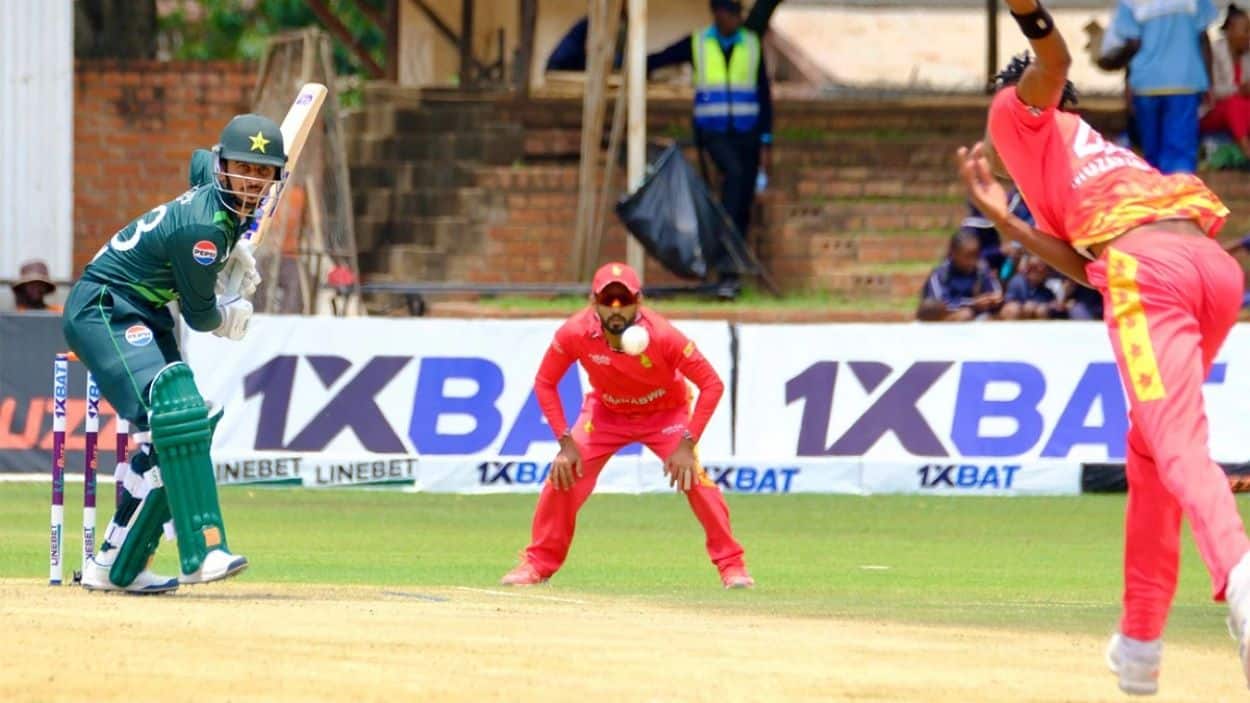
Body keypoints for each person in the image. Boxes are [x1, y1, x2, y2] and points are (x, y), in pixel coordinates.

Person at [955, 0, 1250, 694]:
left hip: (1150, 276)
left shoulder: (1017, 113)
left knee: (1175, 445)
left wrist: (1029, 12)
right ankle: (1140, 645)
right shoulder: (1094, 155)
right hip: (1211, 271)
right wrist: (1009, 222)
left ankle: (1238, 572)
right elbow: (1083, 261)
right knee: (1150, 449)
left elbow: (1052, 61)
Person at [63, 113, 282, 593]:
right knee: (175, 413)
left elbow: (197, 160)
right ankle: (201, 553)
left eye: (264, 172)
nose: (252, 182)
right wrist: (230, 310)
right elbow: (202, 317)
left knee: (181, 429)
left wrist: (233, 251)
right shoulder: (204, 231)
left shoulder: (215, 189)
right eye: (243, 169)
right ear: (225, 168)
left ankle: (115, 565)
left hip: (145, 311)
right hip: (105, 307)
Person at [500, 262, 754, 589]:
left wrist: (686, 444)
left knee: (696, 481)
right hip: (606, 413)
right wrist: (565, 443)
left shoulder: (663, 335)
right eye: (608, 301)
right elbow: (545, 382)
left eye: (624, 300)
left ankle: (732, 566)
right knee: (562, 475)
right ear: (594, 302)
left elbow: (712, 384)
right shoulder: (574, 333)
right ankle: (537, 564)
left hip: (666, 413)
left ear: (639, 302)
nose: (616, 309)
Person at [647, 0, 772, 300]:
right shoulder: (699, 42)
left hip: (747, 133)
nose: (736, 20)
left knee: (741, 198)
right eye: (731, 14)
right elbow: (661, 59)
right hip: (713, 132)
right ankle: (725, 260)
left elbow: (764, 95)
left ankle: (730, 273)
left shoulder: (751, 44)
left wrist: (767, 140)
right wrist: (630, 64)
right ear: (718, 14)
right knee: (735, 178)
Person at [1107, 0, 1217, 173]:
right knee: (1181, 152)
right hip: (1185, 81)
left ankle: (1158, 194)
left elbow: (1133, 44)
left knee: (1152, 151)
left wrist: (1128, 82)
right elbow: (1203, 37)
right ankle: (1180, 193)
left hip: (1146, 83)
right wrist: (1210, 81)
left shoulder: (1130, 2)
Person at [916, 230, 1004, 321]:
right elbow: (941, 303)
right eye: (968, 255)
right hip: (945, 321)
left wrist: (993, 299)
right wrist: (973, 303)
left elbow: (995, 292)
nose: (973, 260)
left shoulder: (981, 269)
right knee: (965, 315)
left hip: (977, 317)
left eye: (976, 254)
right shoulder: (940, 274)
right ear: (954, 254)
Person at [1201, 5, 1250, 163]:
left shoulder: (1247, 56)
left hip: (1241, 106)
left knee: (1240, 104)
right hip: (1213, 110)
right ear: (1230, 31)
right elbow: (1213, 91)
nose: (1249, 36)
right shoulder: (1214, 52)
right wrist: (1239, 90)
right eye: (1246, 30)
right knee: (1234, 105)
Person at [1000, 256, 1065, 319]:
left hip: (1037, 320)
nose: (1037, 272)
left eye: (1043, 269)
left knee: (1042, 310)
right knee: (1014, 309)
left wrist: (1040, 306)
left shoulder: (1046, 289)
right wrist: (1023, 306)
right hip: (1019, 316)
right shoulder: (1017, 281)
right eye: (1033, 268)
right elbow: (1008, 301)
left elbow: (1054, 305)